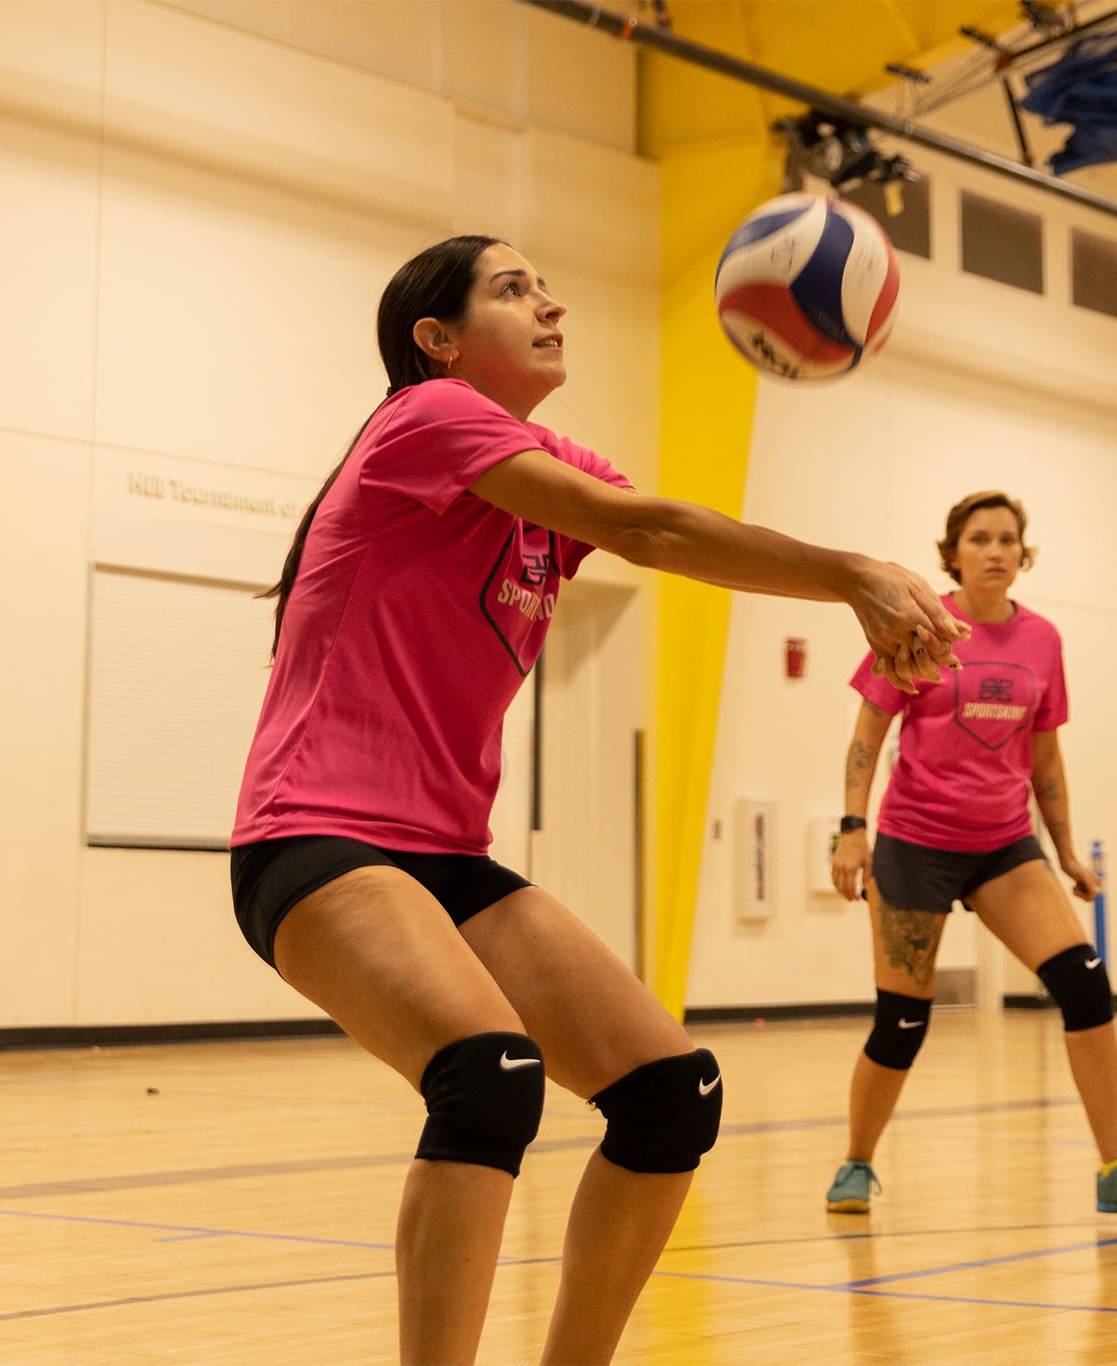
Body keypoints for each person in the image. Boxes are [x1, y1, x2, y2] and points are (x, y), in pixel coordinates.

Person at [231, 234, 968, 1366]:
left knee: (672, 1093)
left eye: (544, 284)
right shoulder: (422, 417)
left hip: (439, 852)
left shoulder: (540, 462)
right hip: (313, 833)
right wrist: (855, 575)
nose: (551, 303)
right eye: (512, 289)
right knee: (488, 1073)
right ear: (436, 338)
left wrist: (863, 599)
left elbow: (670, 532)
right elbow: (644, 530)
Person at [825, 491, 1117, 1218]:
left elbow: (1045, 756)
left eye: (1008, 540)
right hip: (915, 844)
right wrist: (851, 826)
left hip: (1002, 846)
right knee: (902, 1021)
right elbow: (867, 735)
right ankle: (856, 1163)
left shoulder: (1043, 641)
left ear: (1024, 554)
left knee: (1085, 984)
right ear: (952, 552)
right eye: (980, 539)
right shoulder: (916, 625)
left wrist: (1067, 851)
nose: (996, 551)